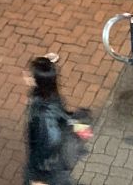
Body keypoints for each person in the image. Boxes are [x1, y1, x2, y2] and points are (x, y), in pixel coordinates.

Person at [24, 56, 91, 185]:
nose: (25, 75)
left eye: (29, 74)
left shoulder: (43, 114)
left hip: (47, 170)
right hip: (51, 166)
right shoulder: (50, 94)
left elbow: (51, 141)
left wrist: (40, 178)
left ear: (37, 80)